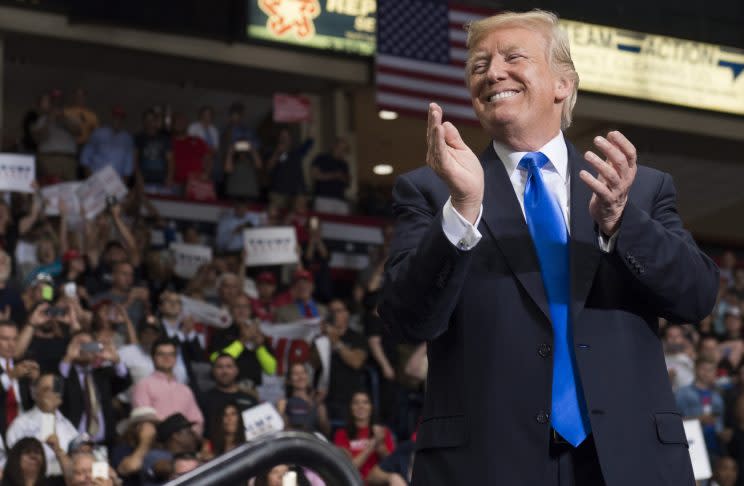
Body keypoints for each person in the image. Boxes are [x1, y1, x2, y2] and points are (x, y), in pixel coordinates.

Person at [378, 10, 719, 486]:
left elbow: (697, 298)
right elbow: (405, 319)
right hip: (486, 465)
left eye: (512, 57)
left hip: (626, 464)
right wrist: (463, 211)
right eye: (479, 66)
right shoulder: (434, 192)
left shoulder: (636, 190)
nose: (493, 72)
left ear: (563, 83)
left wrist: (622, 222)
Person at [6, 373, 77, 481]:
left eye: (56, 389)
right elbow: (13, 463)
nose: (53, 394)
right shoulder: (21, 425)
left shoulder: (67, 425)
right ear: (34, 394)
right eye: (47, 390)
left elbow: (76, 461)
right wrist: (47, 414)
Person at [131, 338, 204, 436]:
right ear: (153, 357)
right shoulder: (143, 385)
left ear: (175, 358)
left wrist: (189, 437)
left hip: (185, 442)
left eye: (171, 354)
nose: (167, 358)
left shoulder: (185, 390)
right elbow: (143, 419)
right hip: (156, 444)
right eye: (161, 354)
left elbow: (197, 421)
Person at [333, 391, 394, 482]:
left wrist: (380, 444)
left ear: (371, 407)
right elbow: (348, 468)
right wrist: (372, 445)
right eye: (356, 403)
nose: (361, 406)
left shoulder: (383, 431)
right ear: (351, 407)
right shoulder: (341, 434)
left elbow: (392, 463)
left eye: (365, 402)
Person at [276, 362, 330, 437]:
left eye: (303, 373)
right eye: (295, 374)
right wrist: (281, 412)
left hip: (313, 444)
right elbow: (281, 431)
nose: (300, 377)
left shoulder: (318, 403)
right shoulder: (284, 403)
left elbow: (327, 433)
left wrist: (322, 417)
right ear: (289, 380)